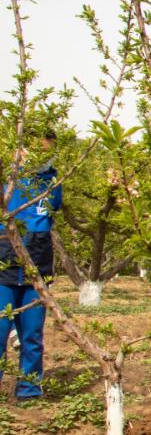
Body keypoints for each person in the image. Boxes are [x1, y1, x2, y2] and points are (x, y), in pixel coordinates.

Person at [0, 130, 60, 400]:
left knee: (32, 334)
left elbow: (51, 214)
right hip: (4, 262)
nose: (43, 156)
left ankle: (28, 390)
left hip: (38, 262)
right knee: (0, 330)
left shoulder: (53, 180)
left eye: (49, 150)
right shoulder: (7, 178)